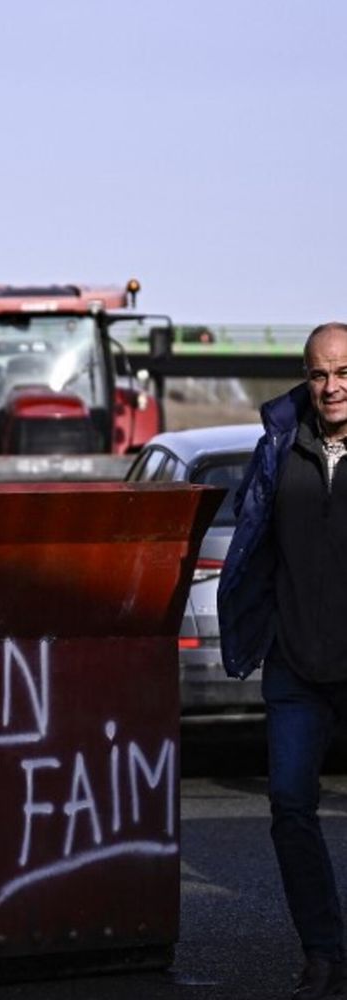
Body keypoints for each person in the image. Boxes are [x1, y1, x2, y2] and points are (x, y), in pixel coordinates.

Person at [220, 321, 347, 1000]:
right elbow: (252, 540)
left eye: (344, 374)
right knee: (290, 807)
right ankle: (323, 952)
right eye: (320, 374)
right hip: (295, 662)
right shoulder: (279, 446)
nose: (331, 388)